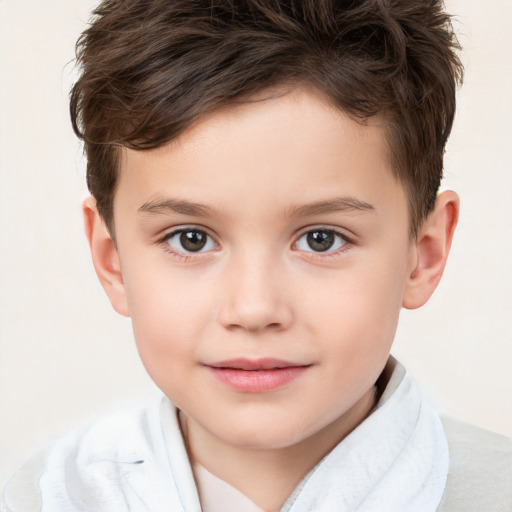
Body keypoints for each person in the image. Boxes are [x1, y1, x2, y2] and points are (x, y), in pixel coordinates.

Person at [2, 0, 511, 510]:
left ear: (422, 254)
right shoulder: (46, 496)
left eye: (321, 239)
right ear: (113, 261)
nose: (254, 308)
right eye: (191, 239)